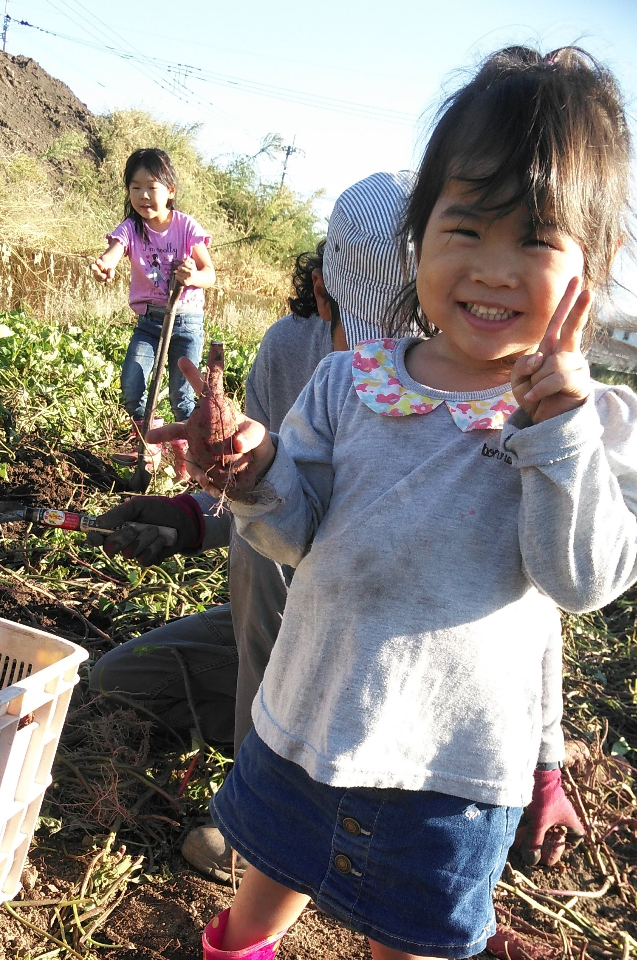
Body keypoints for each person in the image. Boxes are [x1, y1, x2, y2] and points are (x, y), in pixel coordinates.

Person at [159, 46, 637, 960]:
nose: (495, 269)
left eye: (537, 240)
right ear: (420, 234)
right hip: (304, 722)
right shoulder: (348, 385)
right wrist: (253, 465)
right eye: (466, 227)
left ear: (599, 261)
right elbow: (295, 534)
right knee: (258, 899)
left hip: (453, 774)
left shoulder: (601, 426)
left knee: (414, 945)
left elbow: (581, 578)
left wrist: (557, 429)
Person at [86, 171, 417, 882]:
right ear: (325, 287)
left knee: (263, 566)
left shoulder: (437, 391)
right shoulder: (290, 347)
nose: (376, 357)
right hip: (280, 633)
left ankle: (264, 813)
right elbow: (255, 502)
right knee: (120, 684)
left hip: (371, 654)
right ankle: (281, 740)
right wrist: (181, 517)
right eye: (361, 329)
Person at [91, 147, 215, 424]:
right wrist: (104, 265)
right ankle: (149, 445)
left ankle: (185, 461)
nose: (143, 195)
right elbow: (114, 250)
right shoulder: (132, 228)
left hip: (187, 324)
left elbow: (209, 274)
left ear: (170, 190)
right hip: (148, 323)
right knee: (132, 386)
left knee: (181, 399)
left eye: (151, 187)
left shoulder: (186, 227)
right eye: (135, 188)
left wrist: (191, 278)